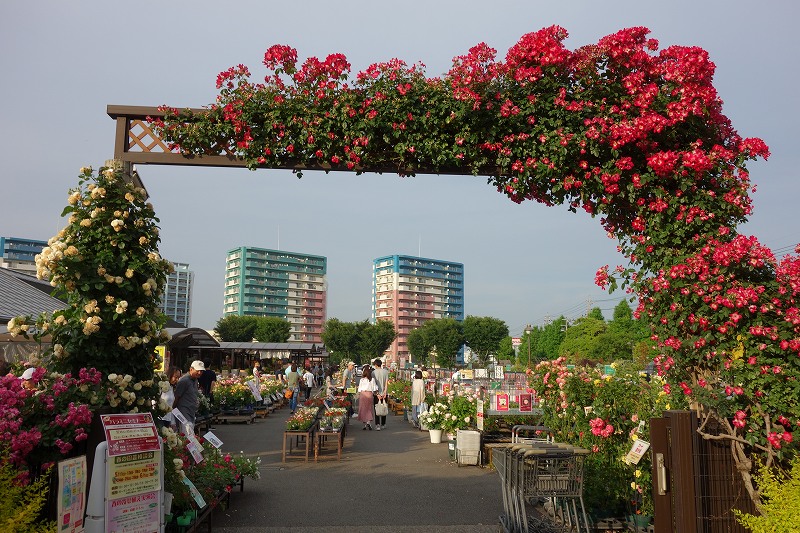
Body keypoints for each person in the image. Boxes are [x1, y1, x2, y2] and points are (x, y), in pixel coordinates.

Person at [173, 360, 204, 433]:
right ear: (191, 369)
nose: (200, 373)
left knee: (189, 435)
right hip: (184, 412)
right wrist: (173, 411)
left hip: (191, 412)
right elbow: (177, 396)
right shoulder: (184, 381)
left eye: (201, 371)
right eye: (198, 370)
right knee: (188, 435)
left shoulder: (195, 380)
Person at [357, 365, 378, 430]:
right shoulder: (372, 380)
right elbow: (374, 388)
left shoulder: (362, 380)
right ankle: (369, 422)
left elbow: (359, 389)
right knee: (369, 409)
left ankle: (364, 424)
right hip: (369, 394)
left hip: (363, 394)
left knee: (363, 408)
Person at [372, 358, 389, 430]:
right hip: (384, 393)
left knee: (377, 408)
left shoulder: (373, 373)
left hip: (376, 393)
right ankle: (383, 424)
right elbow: (386, 383)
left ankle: (377, 424)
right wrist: (385, 392)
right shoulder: (385, 372)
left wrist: (377, 393)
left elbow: (373, 384)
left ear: (376, 365)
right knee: (384, 407)